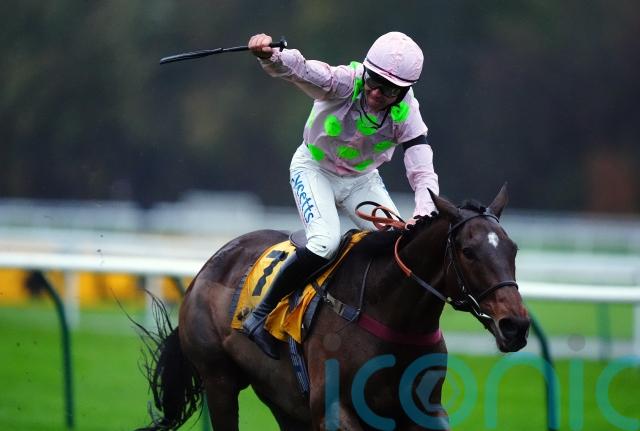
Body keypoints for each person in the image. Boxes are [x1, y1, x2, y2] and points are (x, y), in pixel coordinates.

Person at [242, 31, 440, 359]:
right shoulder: (345, 81)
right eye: (374, 82)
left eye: (389, 90)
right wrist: (271, 55)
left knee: (400, 247)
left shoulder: (409, 115)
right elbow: (301, 69)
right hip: (314, 169)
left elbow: (423, 173)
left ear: (405, 91)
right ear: (366, 71)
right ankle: (259, 316)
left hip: (361, 181)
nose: (377, 93)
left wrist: (424, 214)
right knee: (325, 243)